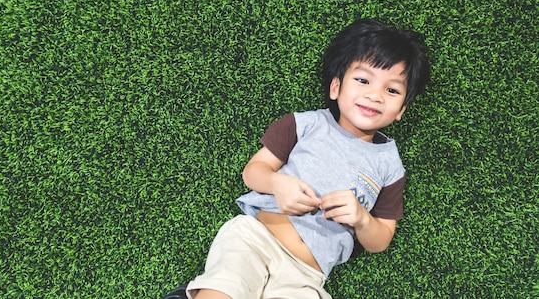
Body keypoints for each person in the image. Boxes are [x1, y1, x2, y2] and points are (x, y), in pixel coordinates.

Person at [162, 18, 431, 299]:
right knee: (226, 288)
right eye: (363, 80)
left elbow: (381, 239)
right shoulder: (304, 125)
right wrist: (278, 183)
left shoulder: (389, 165)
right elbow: (253, 171)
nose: (375, 95)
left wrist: (363, 219)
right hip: (256, 239)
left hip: (305, 275)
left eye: (392, 90)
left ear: (402, 108)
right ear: (336, 87)